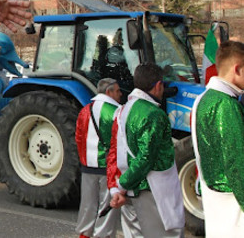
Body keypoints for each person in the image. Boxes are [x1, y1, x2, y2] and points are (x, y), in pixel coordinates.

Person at [107, 63, 184, 237]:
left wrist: (119, 187)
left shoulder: (123, 110)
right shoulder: (154, 114)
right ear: (158, 86)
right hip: (153, 189)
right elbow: (146, 157)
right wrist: (122, 185)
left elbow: (116, 151)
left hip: (131, 187)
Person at [192, 40, 244, 236]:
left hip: (216, 197)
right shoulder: (226, 105)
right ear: (237, 69)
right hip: (234, 204)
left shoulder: (204, 98)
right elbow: (237, 162)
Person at [75, 78, 122, 238]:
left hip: (87, 166)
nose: (120, 94)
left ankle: (84, 234)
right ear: (108, 92)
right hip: (107, 168)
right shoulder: (116, 111)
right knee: (107, 208)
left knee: (87, 205)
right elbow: (118, 142)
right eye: (117, 91)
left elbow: (78, 137)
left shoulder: (85, 110)